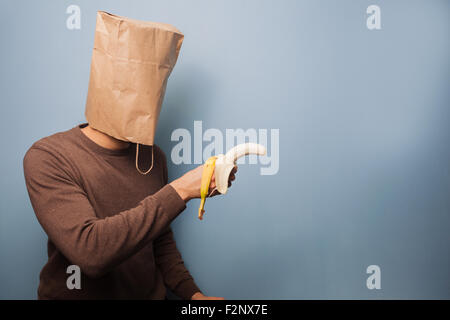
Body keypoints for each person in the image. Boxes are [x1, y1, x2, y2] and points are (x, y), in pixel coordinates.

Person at [22, 11, 236, 300]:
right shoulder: (48, 157)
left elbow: (159, 243)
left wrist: (196, 298)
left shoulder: (153, 158)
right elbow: (91, 251)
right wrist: (182, 190)